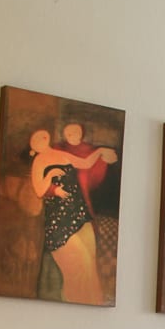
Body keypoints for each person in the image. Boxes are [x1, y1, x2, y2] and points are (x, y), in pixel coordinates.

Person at [29, 129, 117, 305]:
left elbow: (84, 163)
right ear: (33, 146)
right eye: (36, 138)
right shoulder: (38, 161)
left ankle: (95, 303)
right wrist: (51, 180)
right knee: (79, 263)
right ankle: (75, 305)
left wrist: (99, 151)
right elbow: (39, 190)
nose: (42, 138)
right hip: (60, 221)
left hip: (78, 214)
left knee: (90, 261)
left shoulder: (60, 154)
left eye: (44, 135)